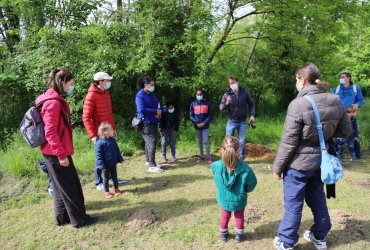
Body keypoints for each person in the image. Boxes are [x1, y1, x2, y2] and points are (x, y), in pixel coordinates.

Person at [272, 64, 352, 250]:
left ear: (303, 80)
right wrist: (326, 135)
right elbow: (346, 130)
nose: (296, 83)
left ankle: (286, 241)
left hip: (298, 165)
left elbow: (288, 142)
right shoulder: (335, 99)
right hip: (321, 162)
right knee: (318, 198)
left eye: (296, 79)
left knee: (293, 204)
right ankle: (319, 236)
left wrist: (277, 168)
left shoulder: (298, 104)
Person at [35, 67, 98, 228]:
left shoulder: (49, 97)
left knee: (59, 186)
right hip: (56, 152)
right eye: (70, 83)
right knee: (71, 186)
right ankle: (80, 220)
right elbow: (50, 132)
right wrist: (61, 155)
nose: (71, 86)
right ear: (62, 82)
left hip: (51, 152)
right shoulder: (53, 103)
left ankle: (62, 217)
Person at [82, 72, 126, 192]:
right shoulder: (91, 96)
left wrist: (114, 129)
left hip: (109, 132)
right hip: (99, 135)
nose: (109, 83)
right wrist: (92, 135)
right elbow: (86, 118)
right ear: (100, 82)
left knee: (111, 155)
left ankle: (112, 178)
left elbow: (109, 114)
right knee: (99, 158)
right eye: (107, 81)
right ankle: (99, 182)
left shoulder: (106, 93)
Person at [211, 136, 257, 243]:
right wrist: (245, 189)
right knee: (239, 216)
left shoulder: (216, 166)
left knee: (224, 215)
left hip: (223, 199)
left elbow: (213, 170)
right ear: (238, 151)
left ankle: (223, 236)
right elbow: (252, 184)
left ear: (222, 150)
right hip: (239, 199)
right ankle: (239, 237)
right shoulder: (245, 169)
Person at [219, 76, 255, 161]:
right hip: (231, 121)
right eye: (230, 83)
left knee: (242, 142)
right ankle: (226, 159)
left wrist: (252, 114)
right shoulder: (227, 94)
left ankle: (241, 159)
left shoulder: (245, 92)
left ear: (237, 82)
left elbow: (251, 104)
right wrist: (227, 102)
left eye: (233, 83)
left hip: (242, 121)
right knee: (228, 142)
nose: (232, 85)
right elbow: (221, 108)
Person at [332, 72, 364, 159]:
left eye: (343, 77)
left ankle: (357, 155)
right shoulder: (336, 89)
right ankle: (336, 155)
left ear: (349, 78)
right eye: (340, 77)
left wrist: (357, 105)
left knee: (354, 135)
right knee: (338, 136)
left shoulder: (355, 88)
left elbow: (361, 100)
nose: (341, 79)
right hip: (339, 116)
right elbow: (331, 101)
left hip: (351, 115)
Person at [135, 75, 163, 173]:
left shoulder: (152, 94)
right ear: (145, 85)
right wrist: (155, 112)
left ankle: (148, 161)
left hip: (154, 121)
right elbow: (141, 109)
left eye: (153, 85)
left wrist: (158, 111)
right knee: (152, 142)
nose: (153, 86)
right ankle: (152, 165)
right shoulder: (140, 95)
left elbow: (157, 105)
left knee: (149, 142)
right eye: (151, 85)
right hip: (146, 123)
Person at [95, 123, 123, 199]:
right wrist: (101, 165)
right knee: (106, 178)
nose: (113, 131)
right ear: (105, 132)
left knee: (114, 177)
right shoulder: (99, 143)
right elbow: (98, 155)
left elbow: (117, 150)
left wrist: (120, 159)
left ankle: (116, 189)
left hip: (113, 163)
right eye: (111, 130)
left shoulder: (113, 140)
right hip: (105, 165)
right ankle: (106, 192)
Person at [189, 89, 212, 164]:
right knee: (199, 141)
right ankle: (201, 156)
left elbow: (209, 115)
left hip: (205, 126)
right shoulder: (193, 104)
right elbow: (191, 115)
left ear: (202, 95)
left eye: (200, 94)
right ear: (196, 95)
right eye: (198, 94)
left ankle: (209, 157)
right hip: (197, 126)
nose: (199, 95)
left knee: (205, 141)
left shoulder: (207, 103)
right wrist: (196, 123)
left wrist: (204, 123)